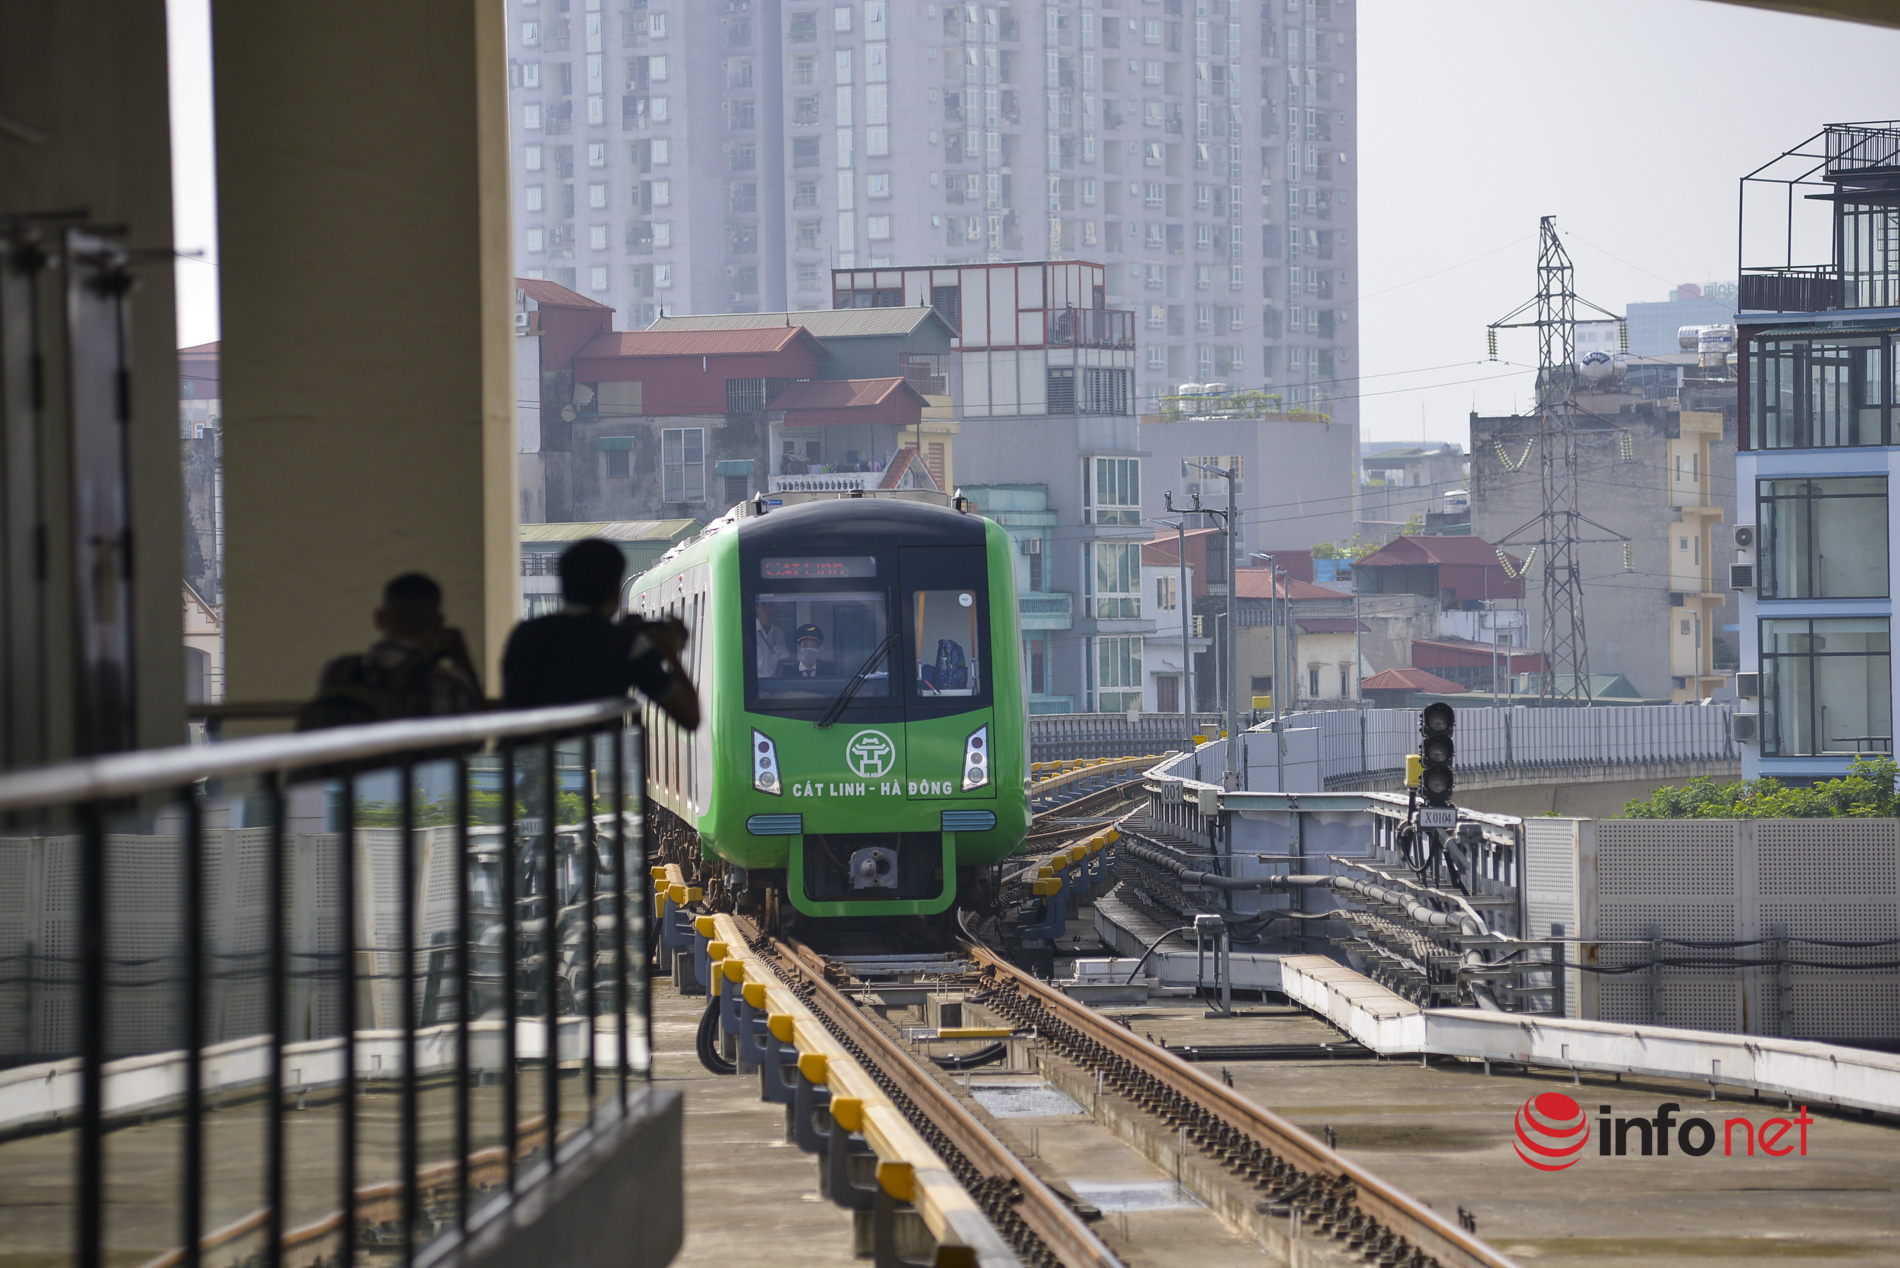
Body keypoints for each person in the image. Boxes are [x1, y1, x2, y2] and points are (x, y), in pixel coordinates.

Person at [501, 538, 700, 728]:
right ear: (615, 591)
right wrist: (672, 656)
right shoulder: (626, 645)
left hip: (525, 758)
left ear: (563, 588)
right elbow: (690, 717)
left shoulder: (524, 635)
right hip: (594, 760)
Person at [298, 572, 485, 728]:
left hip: (349, 773)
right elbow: (475, 739)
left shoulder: (339, 671)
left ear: (379, 618)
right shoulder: (451, 684)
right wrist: (464, 662)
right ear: (439, 624)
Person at [755, 600, 791, 680]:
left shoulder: (778, 633)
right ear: (757, 608)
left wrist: (777, 680)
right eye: (764, 605)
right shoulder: (749, 631)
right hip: (755, 682)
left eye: (771, 605)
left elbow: (781, 662)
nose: (768, 609)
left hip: (772, 682)